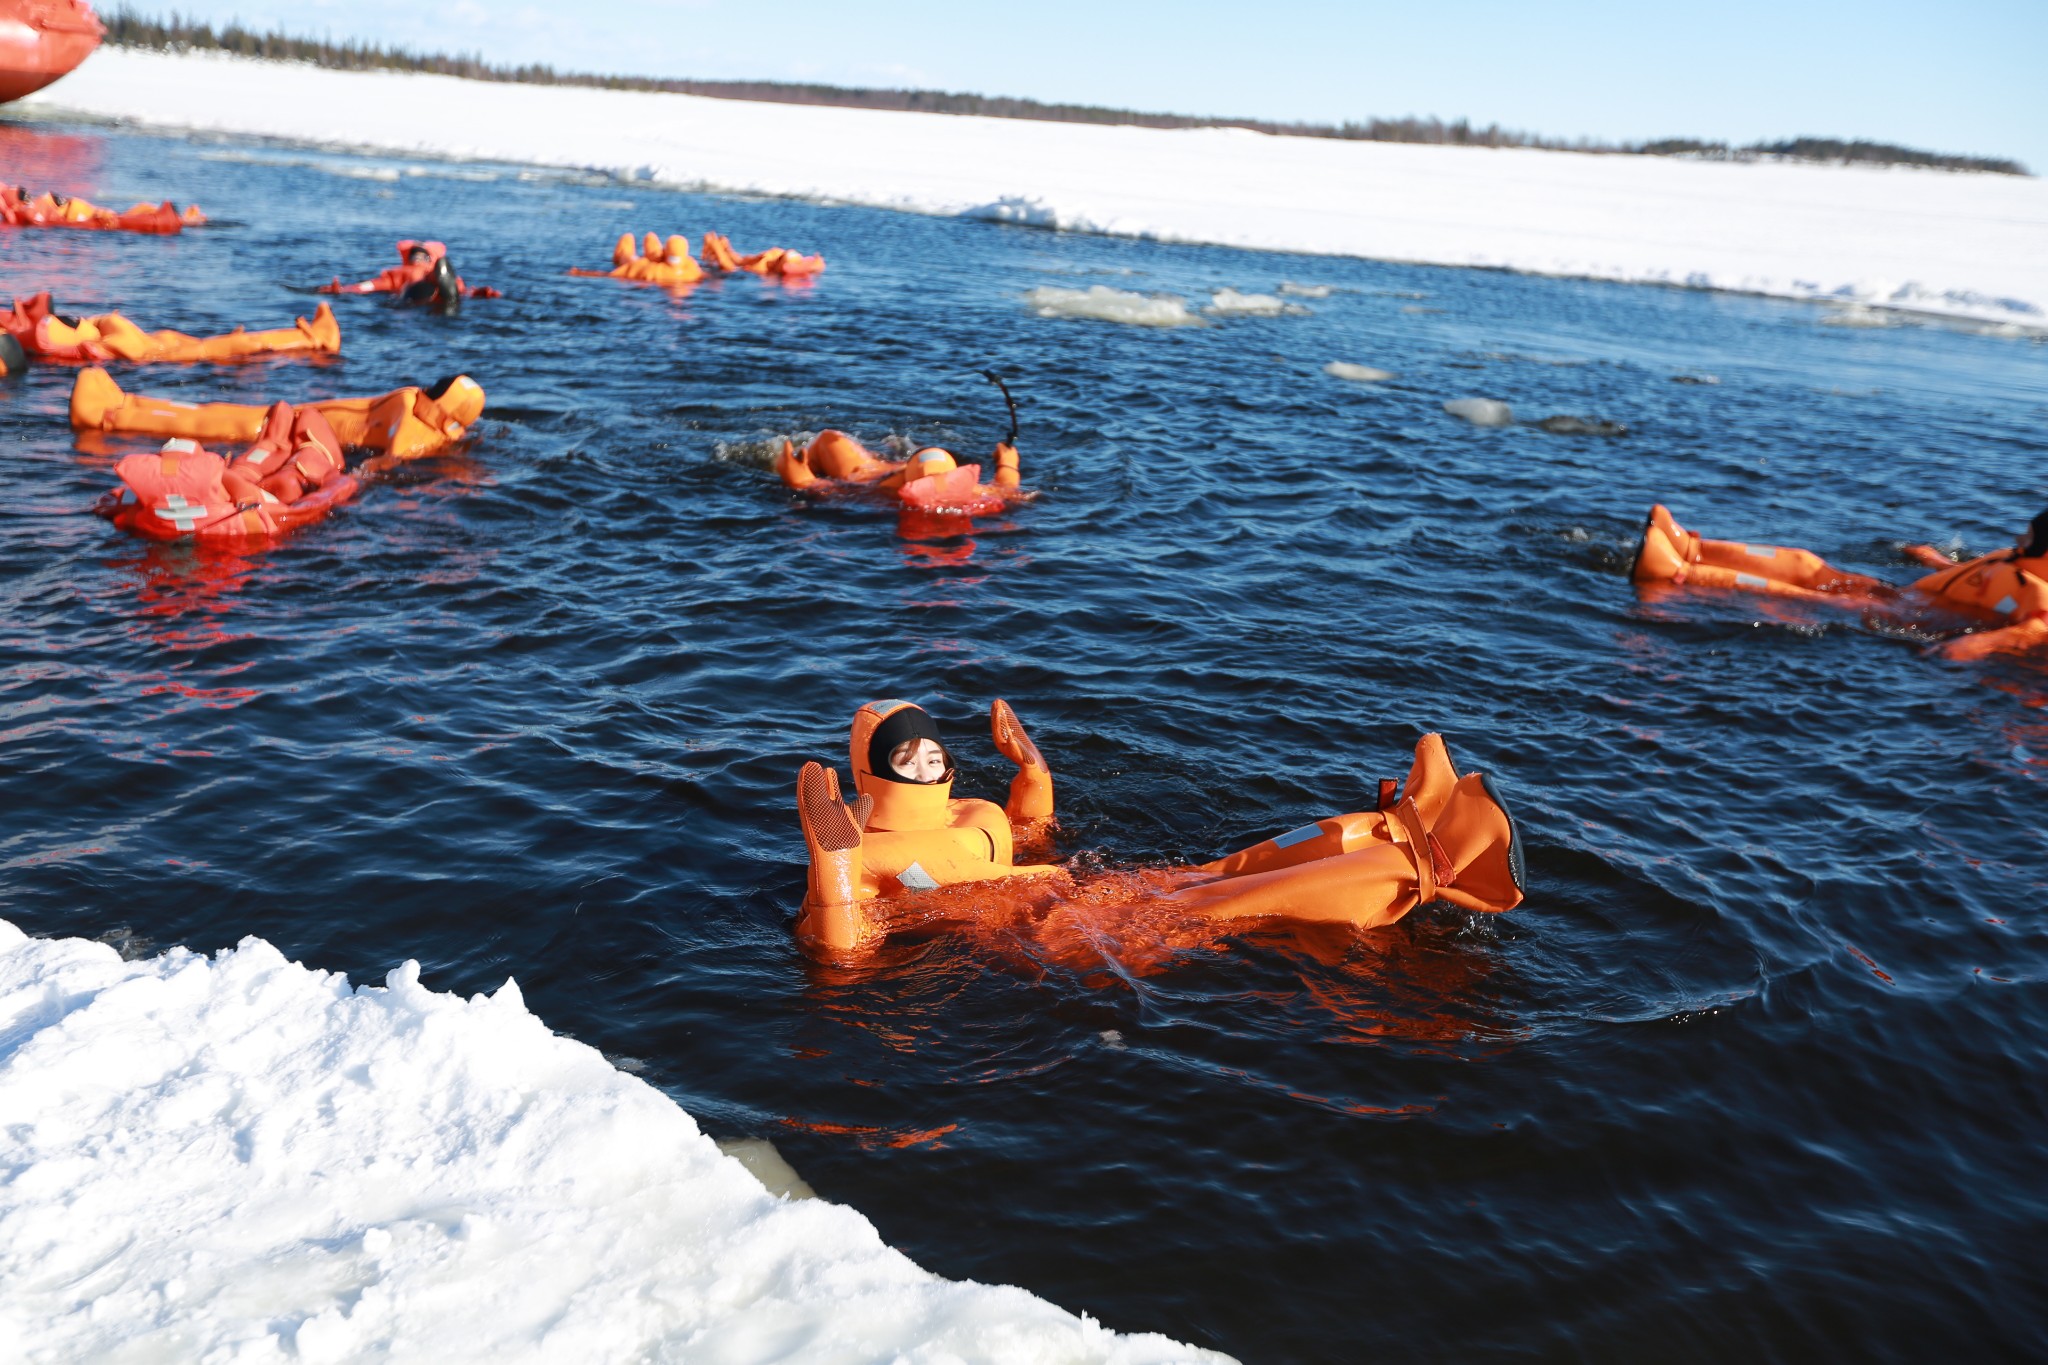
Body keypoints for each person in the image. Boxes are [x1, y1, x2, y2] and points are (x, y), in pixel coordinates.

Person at [792, 699, 1524, 955]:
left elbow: (1026, 842)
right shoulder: (863, 849)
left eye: (932, 749)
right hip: (1040, 938)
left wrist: (1033, 774)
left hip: (1080, 892)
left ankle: (1392, 823)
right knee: (1229, 906)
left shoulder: (971, 811)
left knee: (1235, 867)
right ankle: (1429, 872)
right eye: (906, 756)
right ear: (873, 770)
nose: (926, 762)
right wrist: (831, 876)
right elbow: (845, 952)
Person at [1634, 503, 2048, 659]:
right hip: (1899, 595)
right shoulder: (2015, 562)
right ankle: (1690, 547)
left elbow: (2032, 630)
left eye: (2027, 537)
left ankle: (1675, 573)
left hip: (1907, 618)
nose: (2016, 539)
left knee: (1801, 594)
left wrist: (1967, 649)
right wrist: (1933, 560)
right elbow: (1975, 577)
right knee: (1805, 564)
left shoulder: (2038, 596)